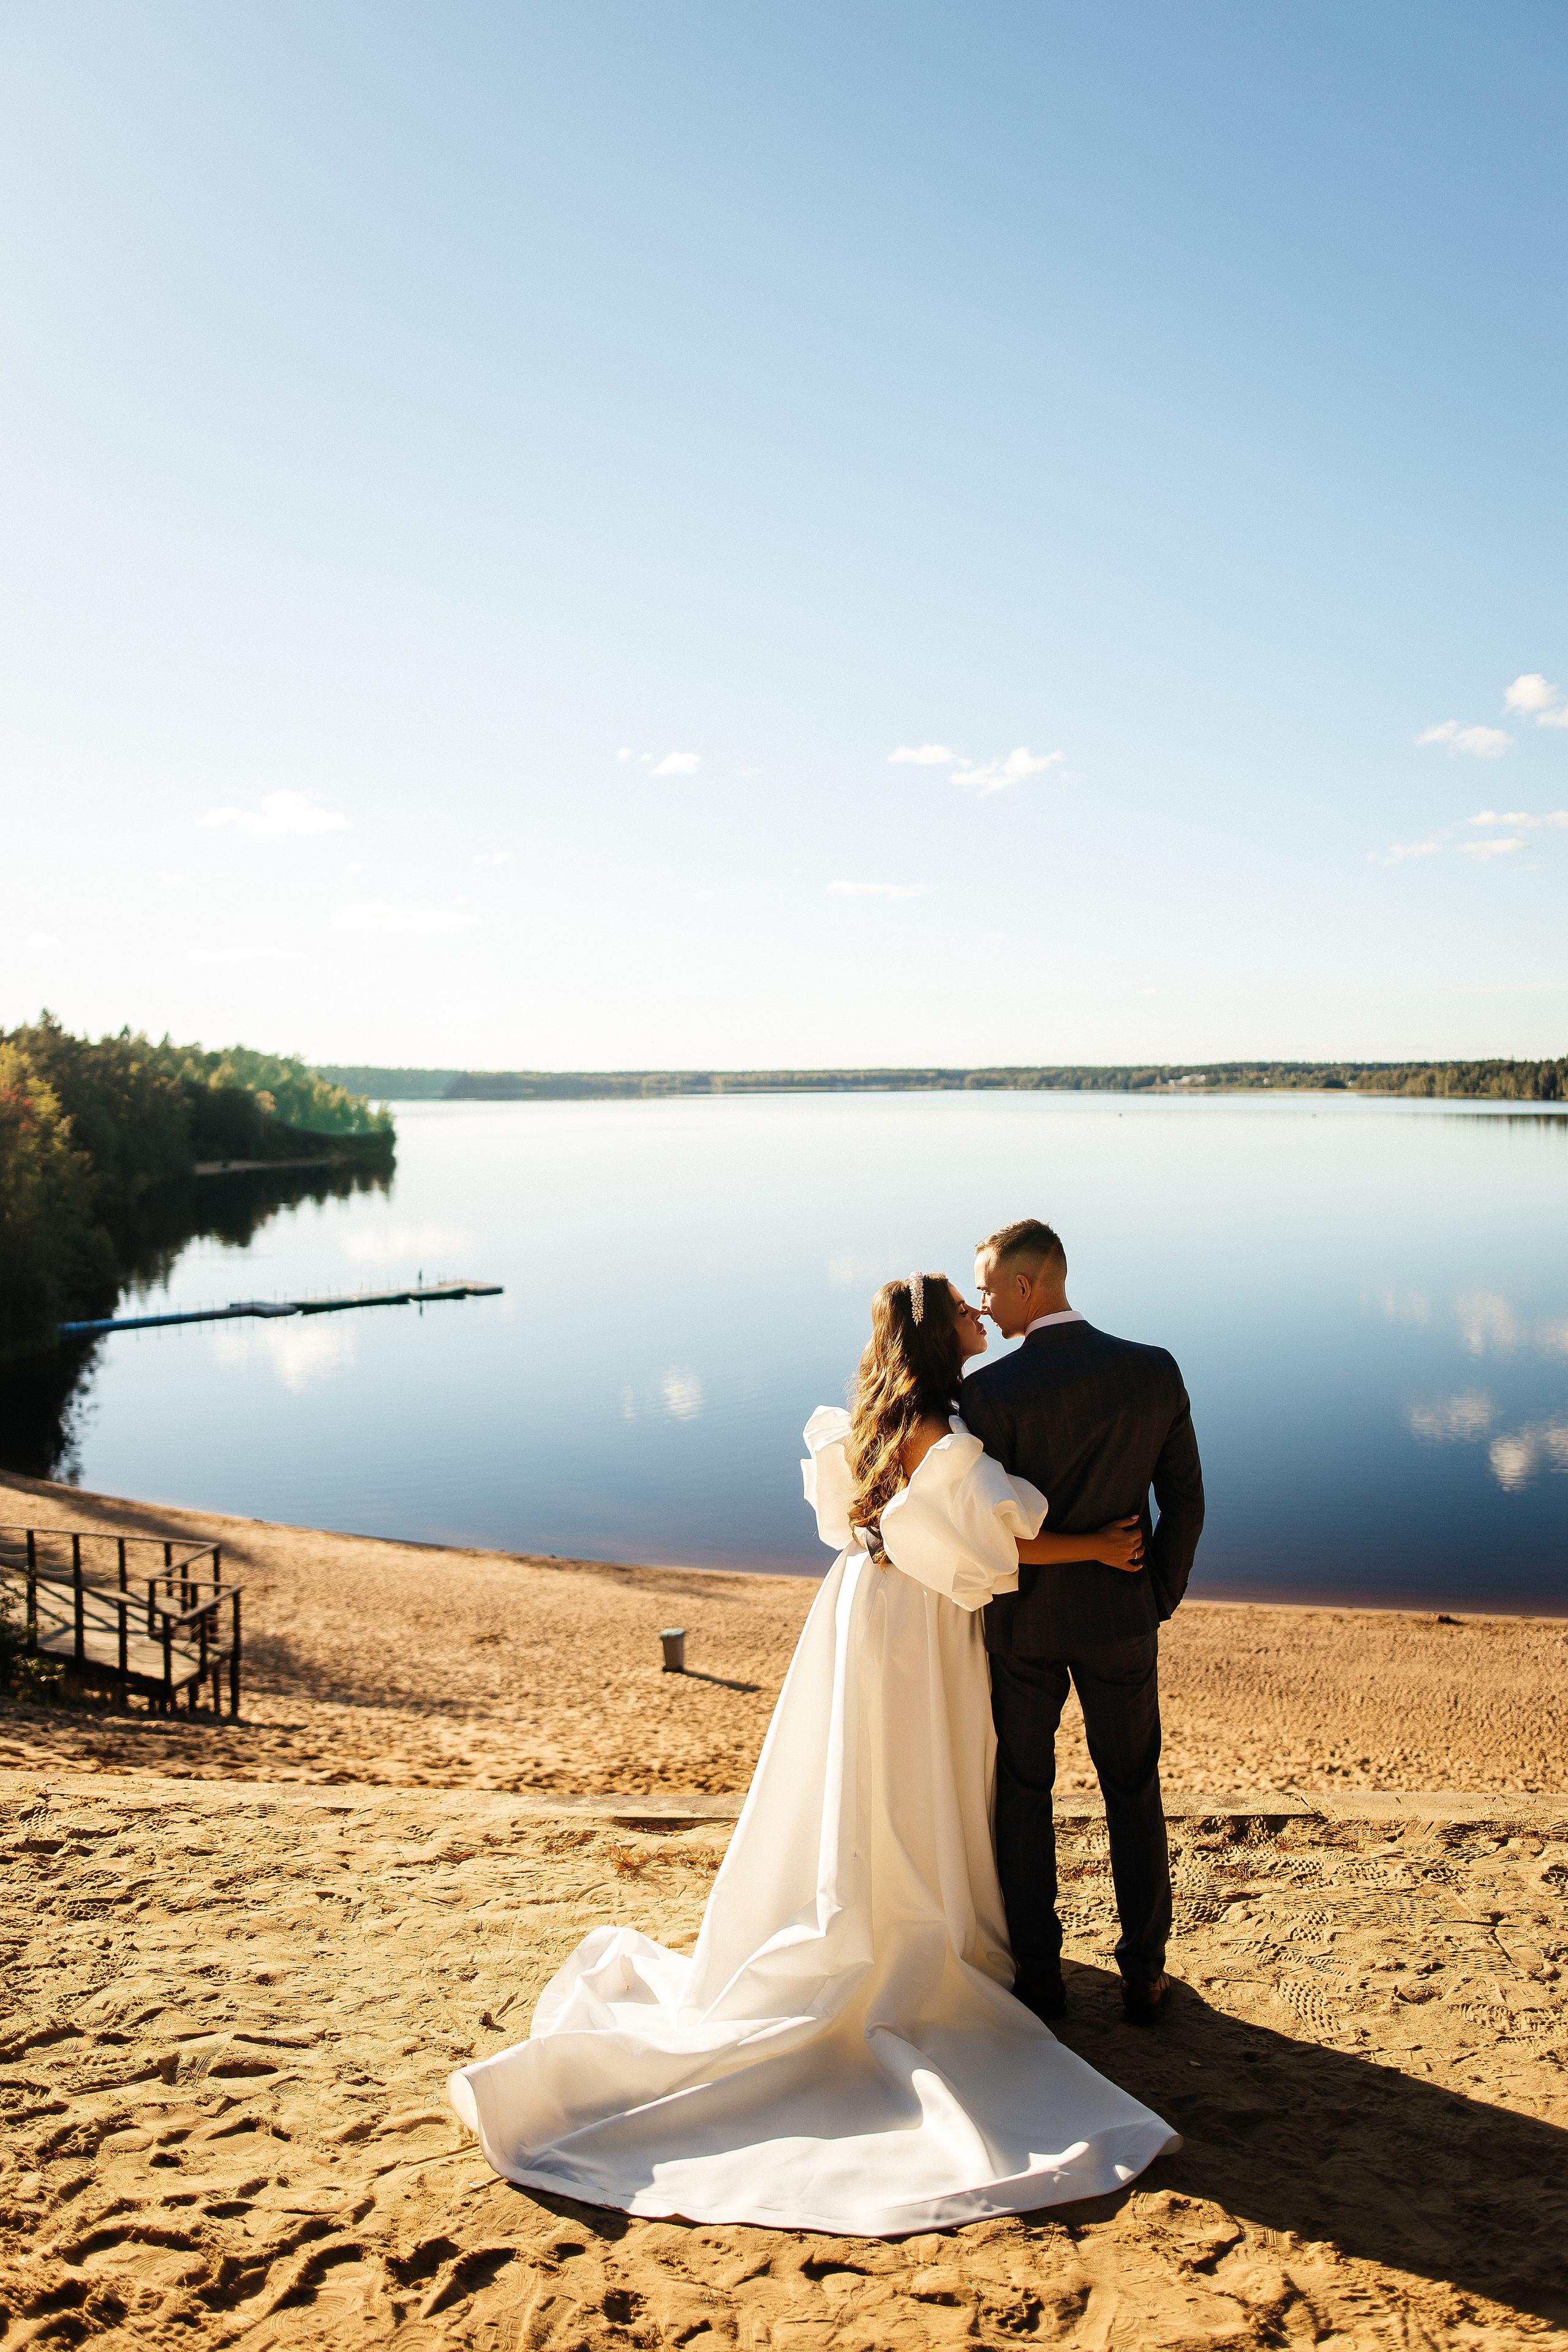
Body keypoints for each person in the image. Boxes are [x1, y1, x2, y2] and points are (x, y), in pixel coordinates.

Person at [448, 1273, 1178, 2236]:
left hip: (858, 1609)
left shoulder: (872, 1418)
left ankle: (894, 1913)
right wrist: (1093, 1546)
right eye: (965, 1309)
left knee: (863, 1780)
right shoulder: (944, 1435)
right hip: (918, 1625)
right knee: (920, 1780)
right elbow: (996, 1546)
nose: (978, 1315)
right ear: (938, 1336)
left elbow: (863, 1527)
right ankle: (923, 1935)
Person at [961, 1218, 1205, 2029]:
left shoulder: (989, 1393)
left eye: (991, 1288)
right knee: (1133, 1789)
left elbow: (986, 1524)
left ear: (1030, 1285)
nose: (986, 1306)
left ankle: (1040, 1976)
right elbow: (1187, 1502)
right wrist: (1155, 1598)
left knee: (1024, 1796)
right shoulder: (1153, 1370)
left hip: (1023, 1631)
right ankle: (1145, 1971)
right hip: (1120, 1621)